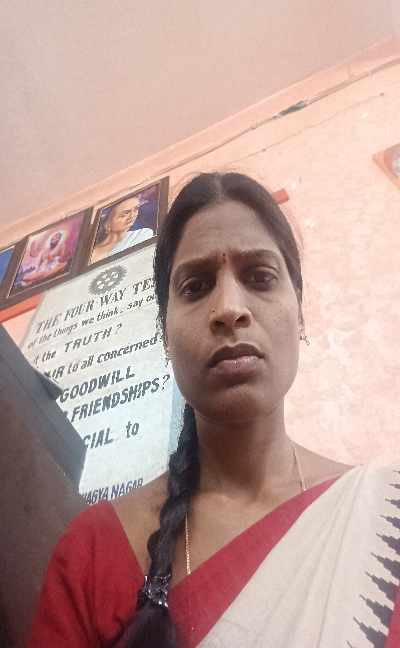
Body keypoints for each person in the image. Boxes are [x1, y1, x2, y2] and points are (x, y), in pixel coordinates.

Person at [29, 173, 399, 647]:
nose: (228, 308)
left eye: (260, 277)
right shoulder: (94, 553)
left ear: (300, 312)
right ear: (165, 335)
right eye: (196, 286)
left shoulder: (384, 516)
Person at [91, 195, 154, 264]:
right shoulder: (93, 252)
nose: (132, 216)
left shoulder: (143, 234)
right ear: (107, 222)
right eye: (124, 214)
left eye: (136, 209)